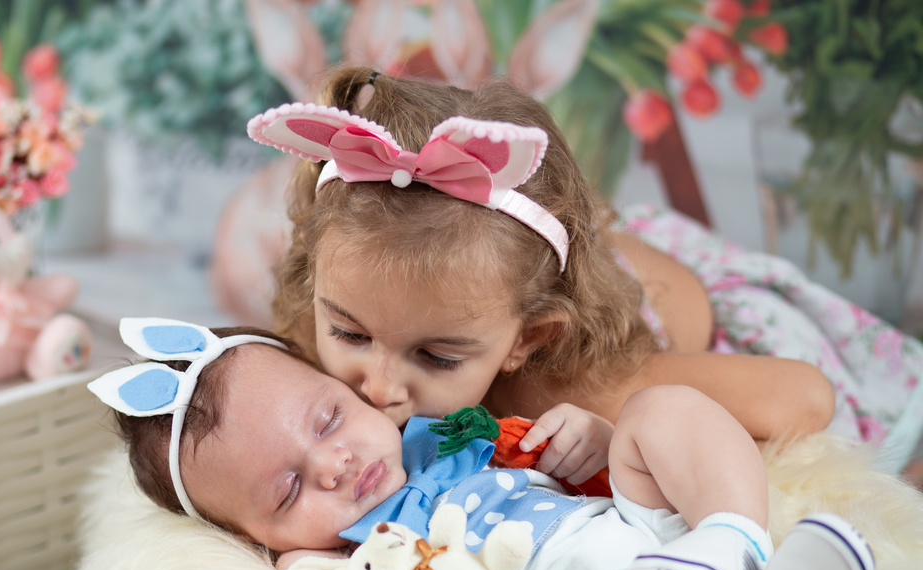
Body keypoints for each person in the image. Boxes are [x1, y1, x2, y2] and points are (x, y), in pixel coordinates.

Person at [252, 68, 923, 485]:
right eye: (350, 332)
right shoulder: (352, 311)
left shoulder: (558, 383)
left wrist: (625, 436)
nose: (378, 387)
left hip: (705, 317)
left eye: (437, 356)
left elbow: (805, 397)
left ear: (528, 338)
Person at [90, 319, 875, 570]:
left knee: (662, 412)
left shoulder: (442, 433)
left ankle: (733, 539)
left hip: (635, 526)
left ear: (345, 388)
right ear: (257, 538)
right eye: (290, 488)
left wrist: (596, 442)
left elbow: (564, 466)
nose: (333, 464)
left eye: (328, 419)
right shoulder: (331, 564)